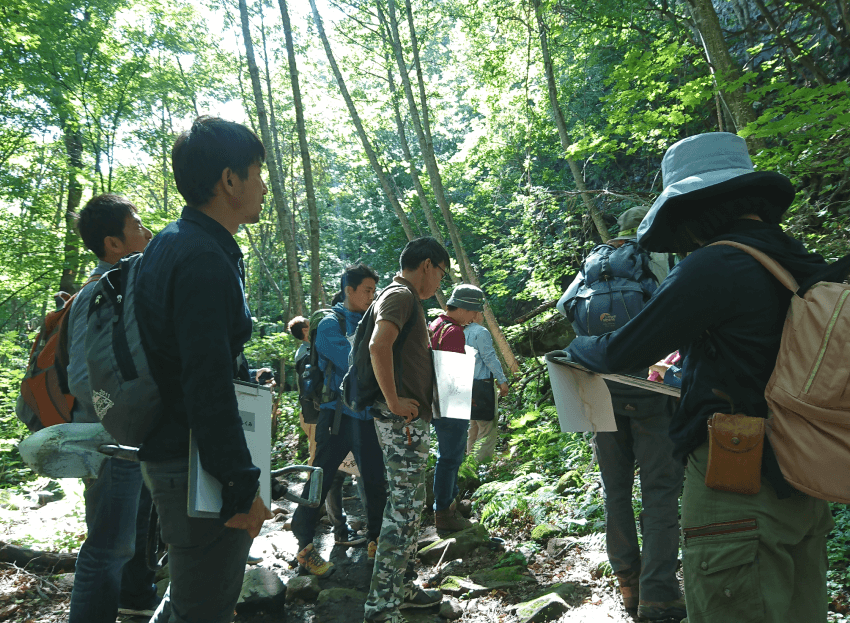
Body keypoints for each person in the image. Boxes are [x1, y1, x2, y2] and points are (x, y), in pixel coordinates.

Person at [565, 132, 835, 623]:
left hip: (737, 482)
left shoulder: (717, 262)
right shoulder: (795, 259)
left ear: (692, 208)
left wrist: (575, 350)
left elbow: (622, 350)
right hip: (803, 476)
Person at [134, 116, 274, 623]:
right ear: (229, 180)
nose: (263, 186)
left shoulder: (171, 242)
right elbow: (205, 384)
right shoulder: (202, 258)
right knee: (205, 610)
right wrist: (242, 487)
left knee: (188, 598)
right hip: (193, 464)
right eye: (257, 172)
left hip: (175, 451)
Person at [562, 206, 685, 619]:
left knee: (615, 492)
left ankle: (627, 585)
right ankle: (659, 594)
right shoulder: (657, 259)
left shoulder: (594, 264)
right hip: (651, 391)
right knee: (660, 493)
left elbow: (567, 309)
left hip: (601, 392)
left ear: (618, 231)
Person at [66, 194, 157, 622]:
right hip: (109, 442)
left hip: (127, 441)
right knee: (106, 548)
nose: (146, 230)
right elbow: (82, 379)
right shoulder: (97, 292)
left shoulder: (123, 287)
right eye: (137, 224)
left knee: (130, 541)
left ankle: (133, 607)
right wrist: (123, 421)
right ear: (113, 243)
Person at [363, 237, 449, 623]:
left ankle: (401, 587)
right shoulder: (401, 295)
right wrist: (395, 402)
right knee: (403, 511)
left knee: (410, 510)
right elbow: (378, 345)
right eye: (441, 274)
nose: (439, 285)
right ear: (427, 265)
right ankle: (381, 607)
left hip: (408, 421)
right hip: (401, 422)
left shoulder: (402, 297)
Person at [291, 264, 388, 576]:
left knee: (375, 479)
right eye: (367, 290)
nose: (373, 296)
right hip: (336, 417)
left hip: (366, 416)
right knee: (321, 479)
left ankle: (375, 539)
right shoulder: (329, 324)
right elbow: (354, 361)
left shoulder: (371, 320)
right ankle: (305, 547)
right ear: (349, 290)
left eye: (375, 290)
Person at [428, 284, 485, 532]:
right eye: (474, 312)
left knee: (448, 454)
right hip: (451, 399)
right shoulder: (453, 332)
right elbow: (452, 372)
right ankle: (443, 513)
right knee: (450, 457)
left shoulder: (435, 325)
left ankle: (450, 502)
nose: (475, 317)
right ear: (463, 308)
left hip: (436, 398)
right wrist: (467, 398)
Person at [464, 310, 509, 462]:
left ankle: (470, 468)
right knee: (487, 429)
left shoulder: (459, 331)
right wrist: (502, 380)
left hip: (465, 386)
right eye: (481, 313)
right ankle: (482, 468)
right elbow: (489, 357)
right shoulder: (480, 331)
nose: (482, 316)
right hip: (482, 385)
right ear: (474, 314)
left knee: (473, 427)